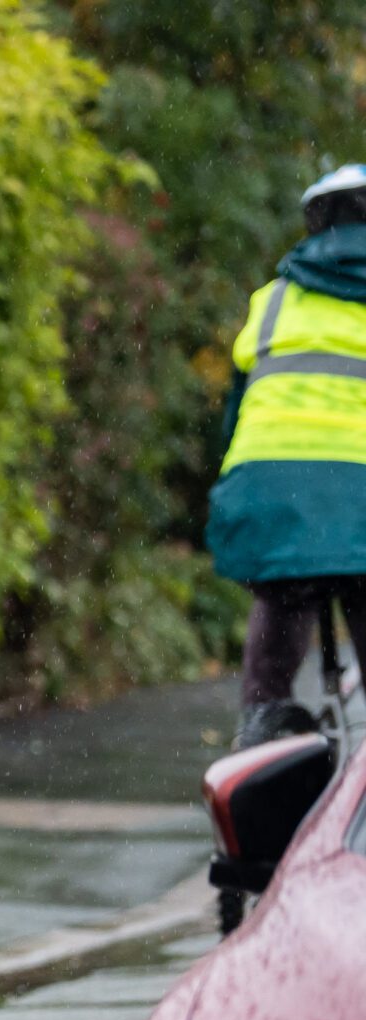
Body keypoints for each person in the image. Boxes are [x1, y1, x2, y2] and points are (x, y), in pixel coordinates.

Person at [211, 163, 366, 748]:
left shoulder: (270, 302)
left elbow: (234, 421)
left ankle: (260, 742)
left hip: (270, 489)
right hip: (361, 500)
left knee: (279, 621)